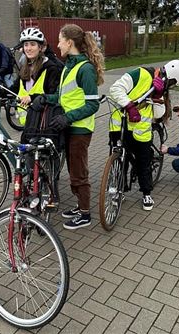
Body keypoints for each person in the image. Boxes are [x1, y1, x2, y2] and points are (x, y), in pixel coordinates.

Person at [44, 23, 105, 230]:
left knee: (79, 172)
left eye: (60, 40)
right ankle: (80, 206)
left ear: (69, 43)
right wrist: (45, 98)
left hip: (80, 129)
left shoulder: (84, 69)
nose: (57, 44)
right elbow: (64, 97)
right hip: (69, 127)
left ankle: (85, 213)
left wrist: (68, 118)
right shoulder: (69, 66)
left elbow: (92, 104)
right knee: (72, 169)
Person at [109, 60, 179, 210]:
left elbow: (158, 114)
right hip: (120, 127)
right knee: (119, 162)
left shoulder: (160, 88)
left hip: (141, 132)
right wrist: (129, 106)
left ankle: (146, 193)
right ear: (170, 77)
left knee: (143, 164)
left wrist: (158, 97)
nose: (169, 88)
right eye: (171, 84)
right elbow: (115, 89)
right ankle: (120, 190)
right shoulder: (140, 74)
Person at [15, 28, 62, 127]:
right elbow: (14, 88)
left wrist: (31, 98)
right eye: (26, 45)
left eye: (32, 44)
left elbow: (52, 95)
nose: (28, 48)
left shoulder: (50, 68)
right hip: (29, 122)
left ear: (40, 47)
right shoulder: (24, 67)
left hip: (43, 122)